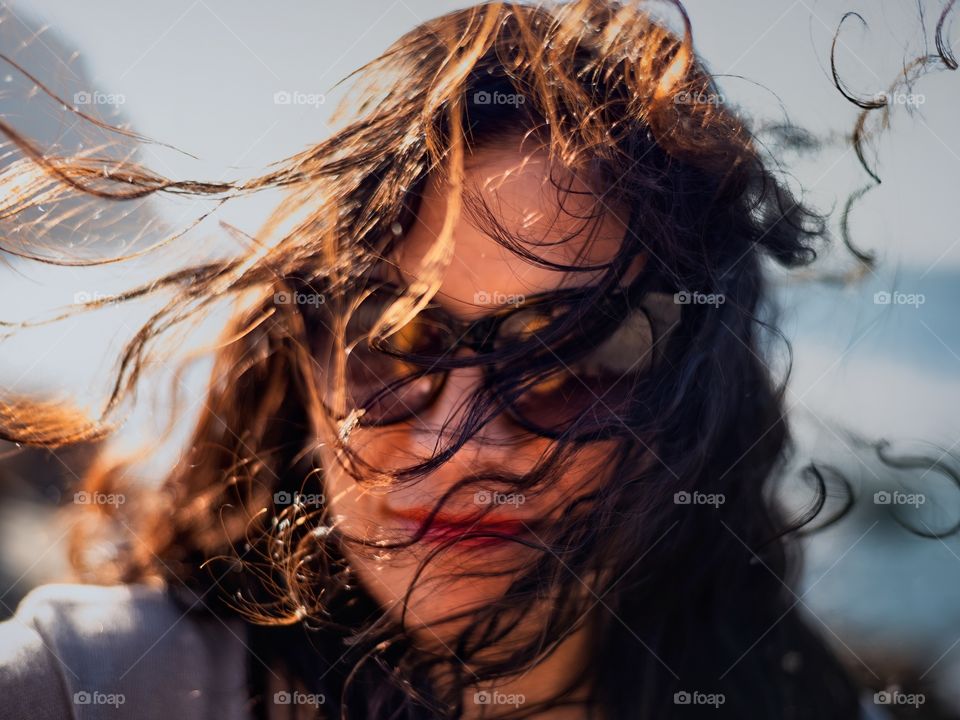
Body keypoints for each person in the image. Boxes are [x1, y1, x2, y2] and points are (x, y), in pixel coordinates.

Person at [0, 1, 918, 717]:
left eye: (567, 354)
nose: (460, 438)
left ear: (691, 394)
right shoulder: (88, 687)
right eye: (393, 341)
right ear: (302, 362)